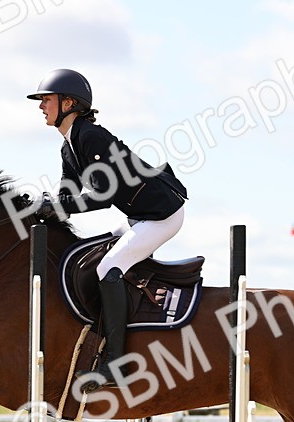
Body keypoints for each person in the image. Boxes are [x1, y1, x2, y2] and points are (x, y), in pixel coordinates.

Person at [26, 68, 187, 392]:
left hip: (162, 215)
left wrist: (54, 206)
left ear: (68, 103)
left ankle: (116, 363)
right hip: (139, 216)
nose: (41, 106)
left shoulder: (91, 137)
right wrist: (40, 208)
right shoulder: (69, 146)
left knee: (108, 268)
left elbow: (103, 196)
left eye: (46, 99)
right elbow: (67, 193)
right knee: (91, 255)